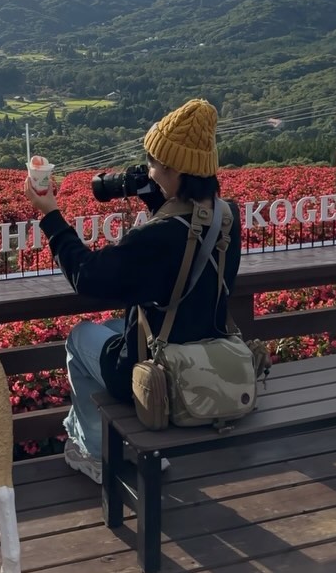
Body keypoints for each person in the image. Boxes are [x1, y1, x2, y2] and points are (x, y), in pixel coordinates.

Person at [24, 98, 241, 484]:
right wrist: (157, 197)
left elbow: (89, 277)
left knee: (79, 338)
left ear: (176, 170)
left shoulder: (156, 236)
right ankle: (111, 440)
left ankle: (95, 452)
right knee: (111, 326)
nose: (150, 169)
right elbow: (187, 241)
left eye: (155, 162)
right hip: (209, 355)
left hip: (160, 375)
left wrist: (50, 215)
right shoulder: (228, 216)